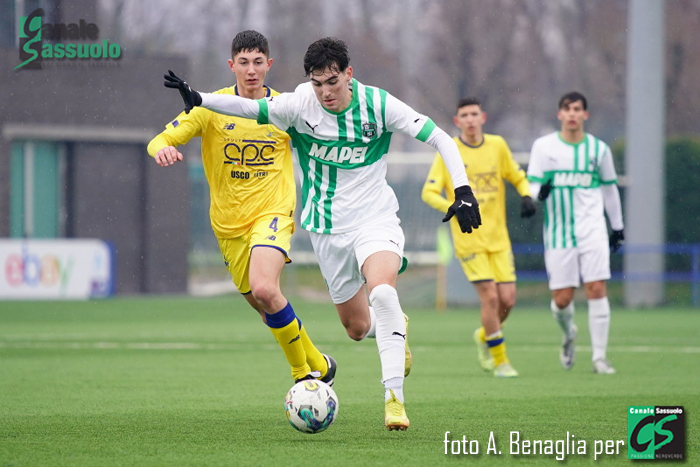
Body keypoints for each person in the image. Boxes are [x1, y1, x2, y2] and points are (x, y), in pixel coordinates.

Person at [162, 37, 481, 431]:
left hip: (375, 219)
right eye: (317, 84)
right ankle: (395, 326)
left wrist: (463, 189)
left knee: (383, 292)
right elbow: (250, 107)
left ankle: (394, 400)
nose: (326, 92)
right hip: (328, 229)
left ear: (348, 74)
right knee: (357, 328)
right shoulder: (300, 104)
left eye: (332, 82)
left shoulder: (378, 105)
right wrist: (200, 98)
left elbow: (440, 138)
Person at [147, 30, 336, 387]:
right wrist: (163, 149)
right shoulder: (210, 107)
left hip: (272, 213)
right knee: (267, 308)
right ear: (231, 65)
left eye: (258, 62)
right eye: (244, 62)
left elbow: (324, 138)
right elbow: (160, 139)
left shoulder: (284, 109)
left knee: (265, 289)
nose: (251, 70)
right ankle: (320, 363)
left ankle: (304, 376)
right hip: (228, 225)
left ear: (269, 65)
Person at [422, 97, 536, 378]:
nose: (470, 119)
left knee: (508, 299)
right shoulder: (449, 150)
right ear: (457, 121)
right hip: (469, 238)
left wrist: (526, 195)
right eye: (464, 115)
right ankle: (501, 361)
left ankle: (486, 334)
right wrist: (452, 207)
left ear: (482, 117)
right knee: (490, 297)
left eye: (474, 114)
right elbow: (429, 192)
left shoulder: (497, 146)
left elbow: (517, 175)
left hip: (498, 238)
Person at [526, 91, 624, 375]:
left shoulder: (598, 150)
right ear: (560, 114)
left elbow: (609, 189)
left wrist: (617, 227)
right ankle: (569, 334)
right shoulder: (543, 147)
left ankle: (599, 358)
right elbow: (532, 184)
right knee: (562, 300)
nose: (572, 114)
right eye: (567, 109)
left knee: (596, 287)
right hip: (559, 232)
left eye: (577, 109)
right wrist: (537, 195)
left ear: (585, 114)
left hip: (592, 228)